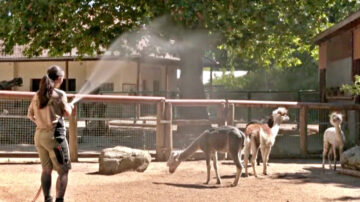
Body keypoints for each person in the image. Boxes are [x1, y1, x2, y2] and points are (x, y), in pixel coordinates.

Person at [27, 65, 74, 202]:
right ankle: (59, 200)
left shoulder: (37, 95)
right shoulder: (60, 95)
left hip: (39, 137)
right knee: (63, 170)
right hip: (55, 138)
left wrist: (41, 124)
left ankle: (47, 199)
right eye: (63, 78)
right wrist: (70, 106)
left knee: (46, 169)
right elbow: (67, 113)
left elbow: (30, 115)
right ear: (59, 79)